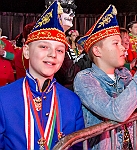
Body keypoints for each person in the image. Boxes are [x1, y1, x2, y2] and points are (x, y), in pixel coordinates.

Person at [74, 4, 137, 150]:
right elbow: (117, 112)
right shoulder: (85, 79)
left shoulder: (124, 74)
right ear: (97, 51)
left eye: (122, 43)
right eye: (116, 43)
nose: (123, 47)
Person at [0, 2, 84, 149]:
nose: (52, 54)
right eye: (44, 47)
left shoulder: (73, 101)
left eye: (60, 50)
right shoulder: (3, 98)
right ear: (26, 51)